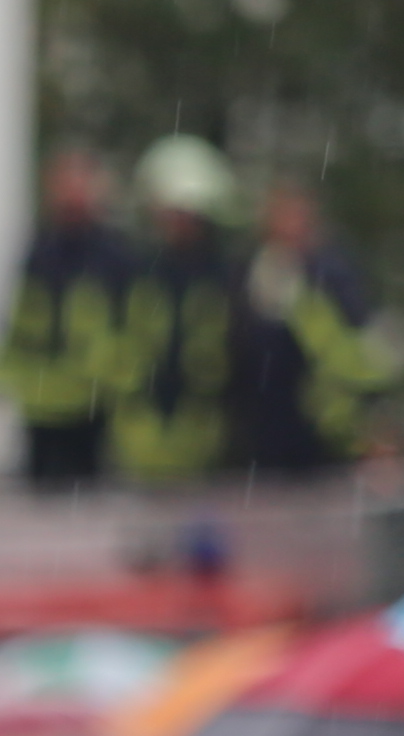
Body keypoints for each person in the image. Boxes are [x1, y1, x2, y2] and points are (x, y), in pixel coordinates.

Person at [0, 148, 145, 492]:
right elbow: (20, 325)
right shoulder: (39, 252)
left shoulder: (115, 255)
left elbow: (133, 330)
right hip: (42, 407)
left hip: (94, 408)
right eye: (65, 185)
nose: (72, 195)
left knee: (90, 497)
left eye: (79, 185)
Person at [235, 180, 392, 484]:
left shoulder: (333, 275)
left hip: (328, 430)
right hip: (269, 431)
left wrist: (371, 425)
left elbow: (360, 356)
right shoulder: (253, 273)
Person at [117, 136, 250, 487]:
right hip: (147, 440)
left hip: (210, 442)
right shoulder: (143, 273)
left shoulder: (225, 276)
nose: (175, 222)